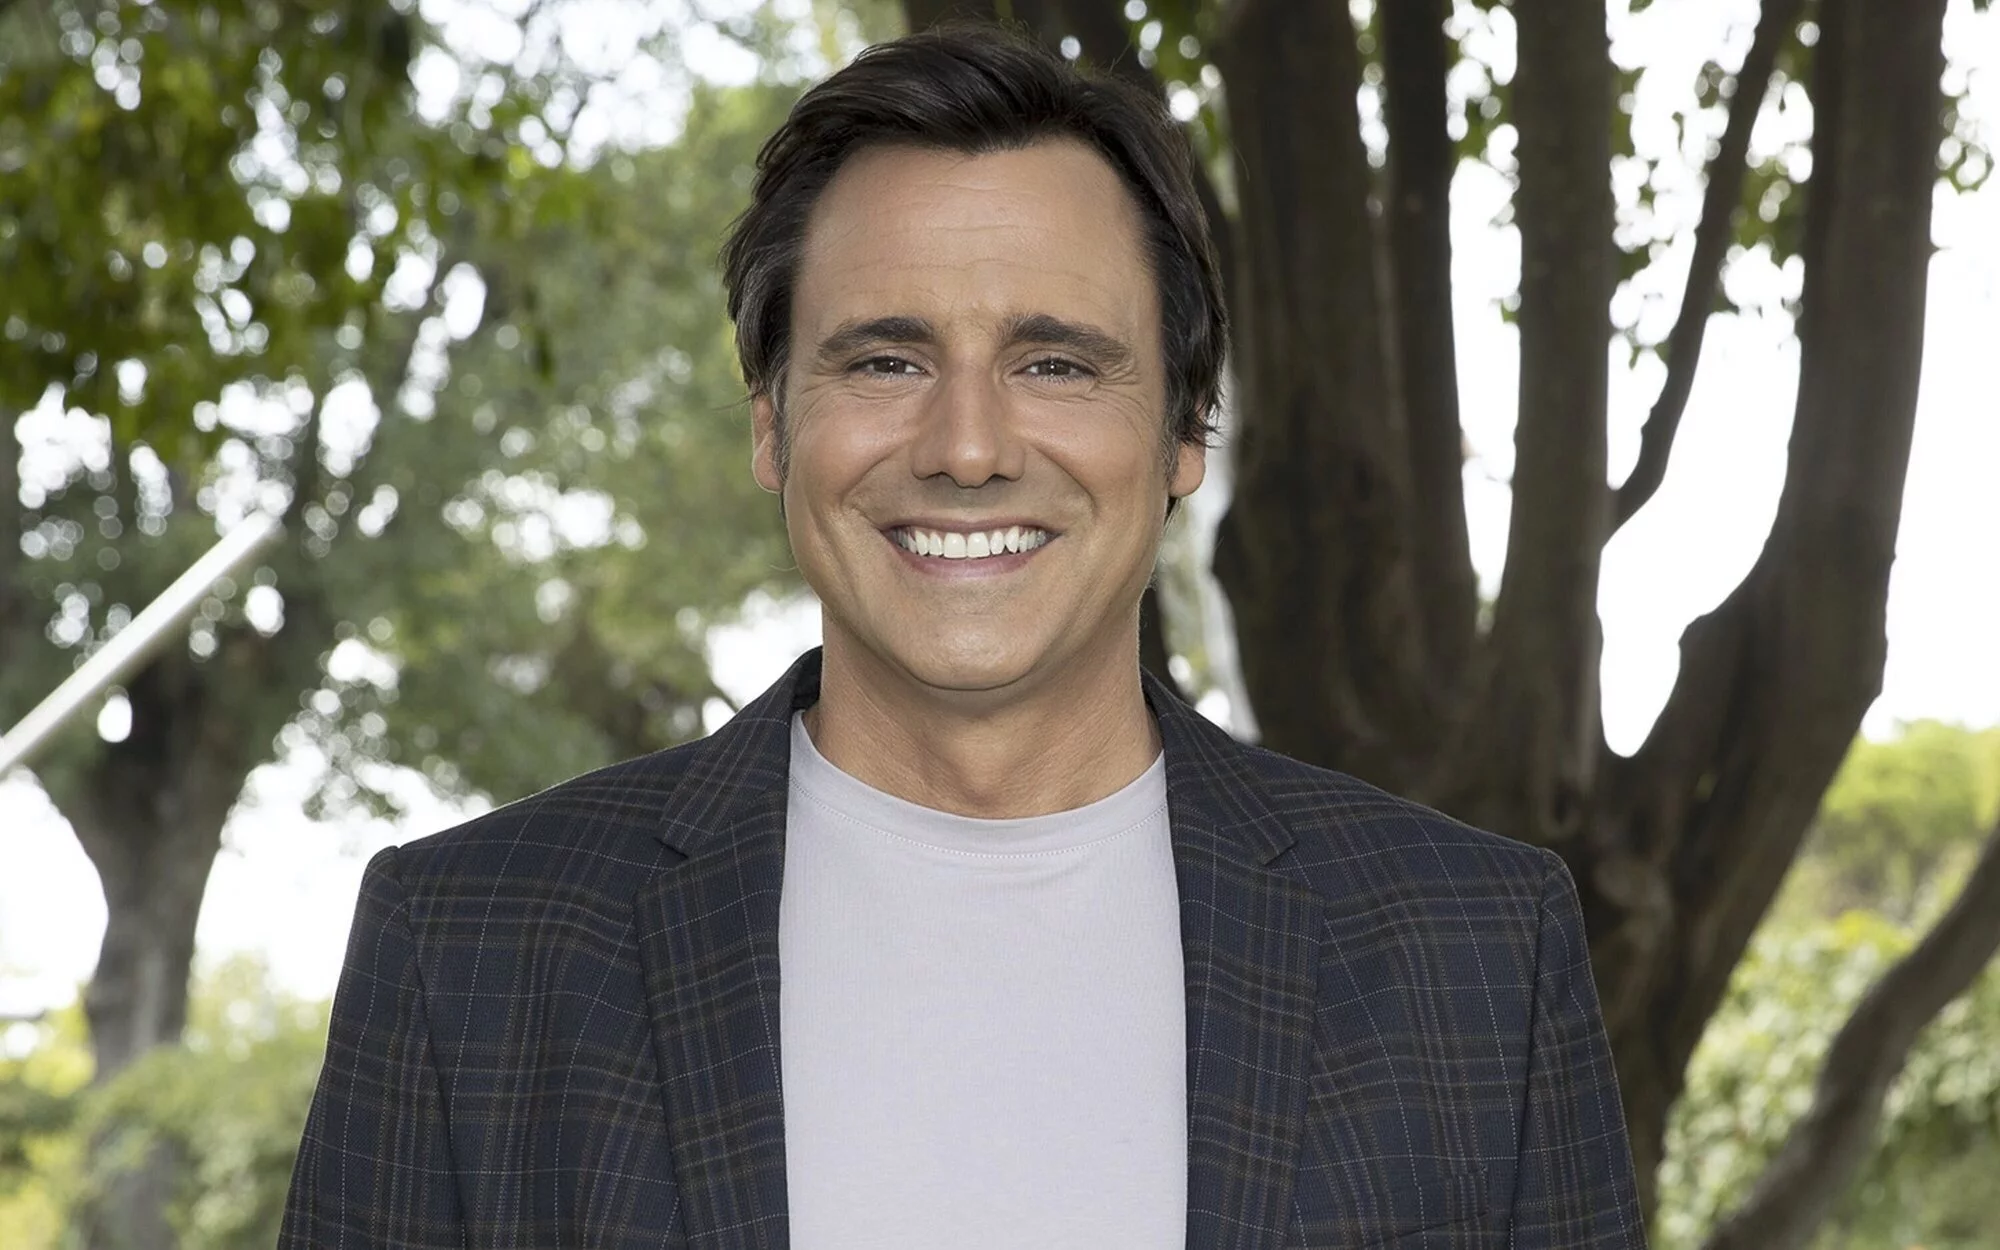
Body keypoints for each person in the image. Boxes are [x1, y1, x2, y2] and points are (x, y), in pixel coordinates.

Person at [281, 21, 1646, 1250]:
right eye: (887, 360)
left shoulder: (1477, 951)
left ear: (1184, 429)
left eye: (1056, 363)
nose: (970, 446)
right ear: (772, 426)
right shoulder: (468, 950)